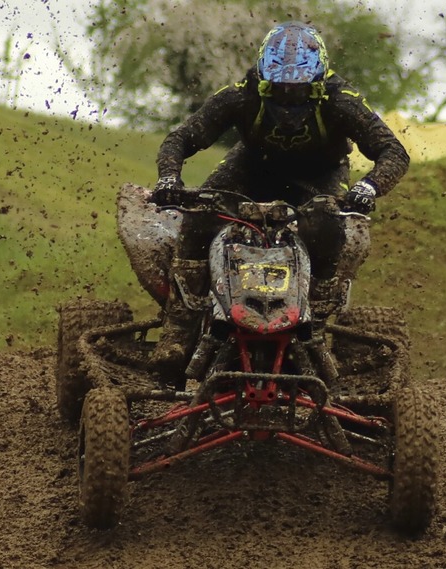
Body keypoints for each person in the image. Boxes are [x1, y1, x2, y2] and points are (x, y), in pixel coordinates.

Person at [150, 21, 409, 370]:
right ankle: (179, 329)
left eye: (298, 91)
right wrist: (169, 178)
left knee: (327, 229)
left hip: (320, 174)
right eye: (279, 90)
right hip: (251, 166)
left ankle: (314, 327)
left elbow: (393, 151)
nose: (288, 100)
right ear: (263, 79)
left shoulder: (341, 100)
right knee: (200, 216)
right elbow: (181, 137)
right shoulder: (241, 95)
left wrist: (369, 187)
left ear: (317, 84)